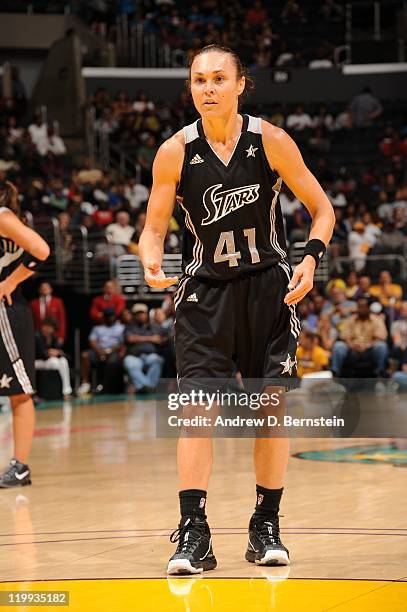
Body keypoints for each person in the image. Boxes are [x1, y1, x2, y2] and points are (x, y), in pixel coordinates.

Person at [138, 45, 335, 574]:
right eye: (199, 80)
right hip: (205, 294)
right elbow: (155, 227)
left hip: (269, 288)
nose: (207, 88)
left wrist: (310, 261)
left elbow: (322, 209)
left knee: (269, 408)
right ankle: (194, 532)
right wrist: (151, 260)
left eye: (218, 78)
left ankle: (265, 523)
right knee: (196, 410)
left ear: (240, 84)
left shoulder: (270, 140)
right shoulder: (174, 152)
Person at [0, 181, 50, 487]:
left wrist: (11, 282)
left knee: (19, 392)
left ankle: (20, 466)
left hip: (6, 312)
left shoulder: (3, 216)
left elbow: (41, 250)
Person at [331, 297, 388, 377]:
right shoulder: (350, 320)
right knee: (338, 346)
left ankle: (380, 375)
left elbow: (381, 337)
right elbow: (345, 337)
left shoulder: (377, 320)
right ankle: (335, 375)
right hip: (352, 352)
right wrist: (352, 346)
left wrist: (367, 346)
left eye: (363, 306)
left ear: (368, 307)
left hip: (369, 351)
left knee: (381, 346)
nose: (360, 309)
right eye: (359, 306)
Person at [78, 308, 124, 395]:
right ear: (104, 317)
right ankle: (85, 383)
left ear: (115, 316)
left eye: (111, 316)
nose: (110, 318)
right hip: (98, 351)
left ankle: (105, 385)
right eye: (107, 316)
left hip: (114, 351)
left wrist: (109, 351)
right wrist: (100, 351)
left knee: (113, 361)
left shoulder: (120, 327)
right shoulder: (97, 328)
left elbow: (122, 343)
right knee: (85, 355)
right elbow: (92, 341)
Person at [123, 303, 166, 393]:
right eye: (137, 313)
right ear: (134, 315)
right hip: (135, 356)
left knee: (157, 360)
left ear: (146, 314)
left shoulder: (155, 326)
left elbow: (162, 338)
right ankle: (149, 387)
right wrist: (151, 338)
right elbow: (130, 338)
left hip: (150, 355)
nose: (140, 315)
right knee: (129, 362)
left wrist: (161, 340)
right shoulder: (129, 327)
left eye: (142, 313)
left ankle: (144, 387)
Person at [35, 318, 72, 399]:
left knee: (63, 361)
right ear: (43, 326)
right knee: (54, 362)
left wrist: (57, 353)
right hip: (36, 362)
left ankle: (66, 391)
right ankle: (55, 390)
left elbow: (61, 353)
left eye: (50, 327)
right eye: (46, 326)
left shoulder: (54, 338)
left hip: (50, 361)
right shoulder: (37, 336)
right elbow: (41, 354)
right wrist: (49, 353)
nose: (47, 329)